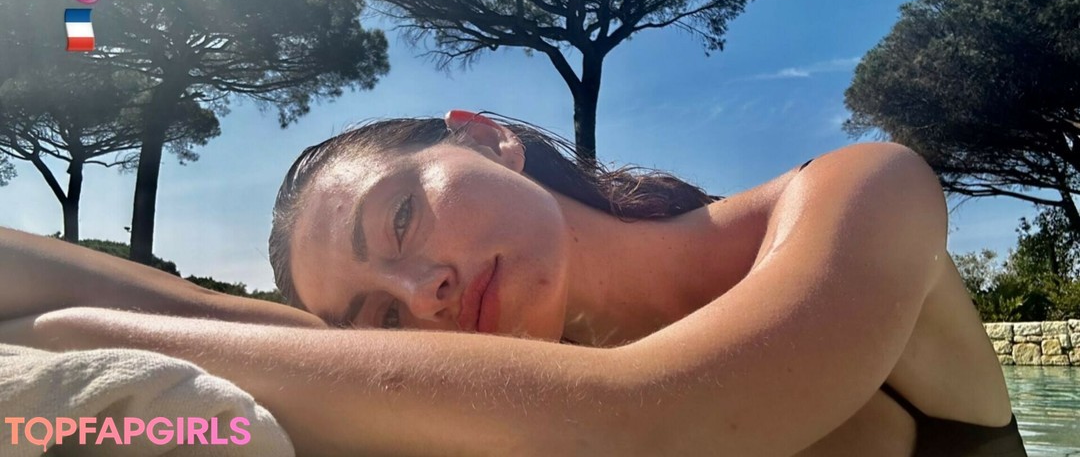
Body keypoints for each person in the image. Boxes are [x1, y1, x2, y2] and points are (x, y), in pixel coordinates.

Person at [0, 110, 1027, 456]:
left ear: (487, 138)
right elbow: (215, 317)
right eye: (379, 316)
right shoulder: (518, 395)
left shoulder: (861, 191)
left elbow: (658, 420)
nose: (422, 294)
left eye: (400, 219)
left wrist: (73, 331)